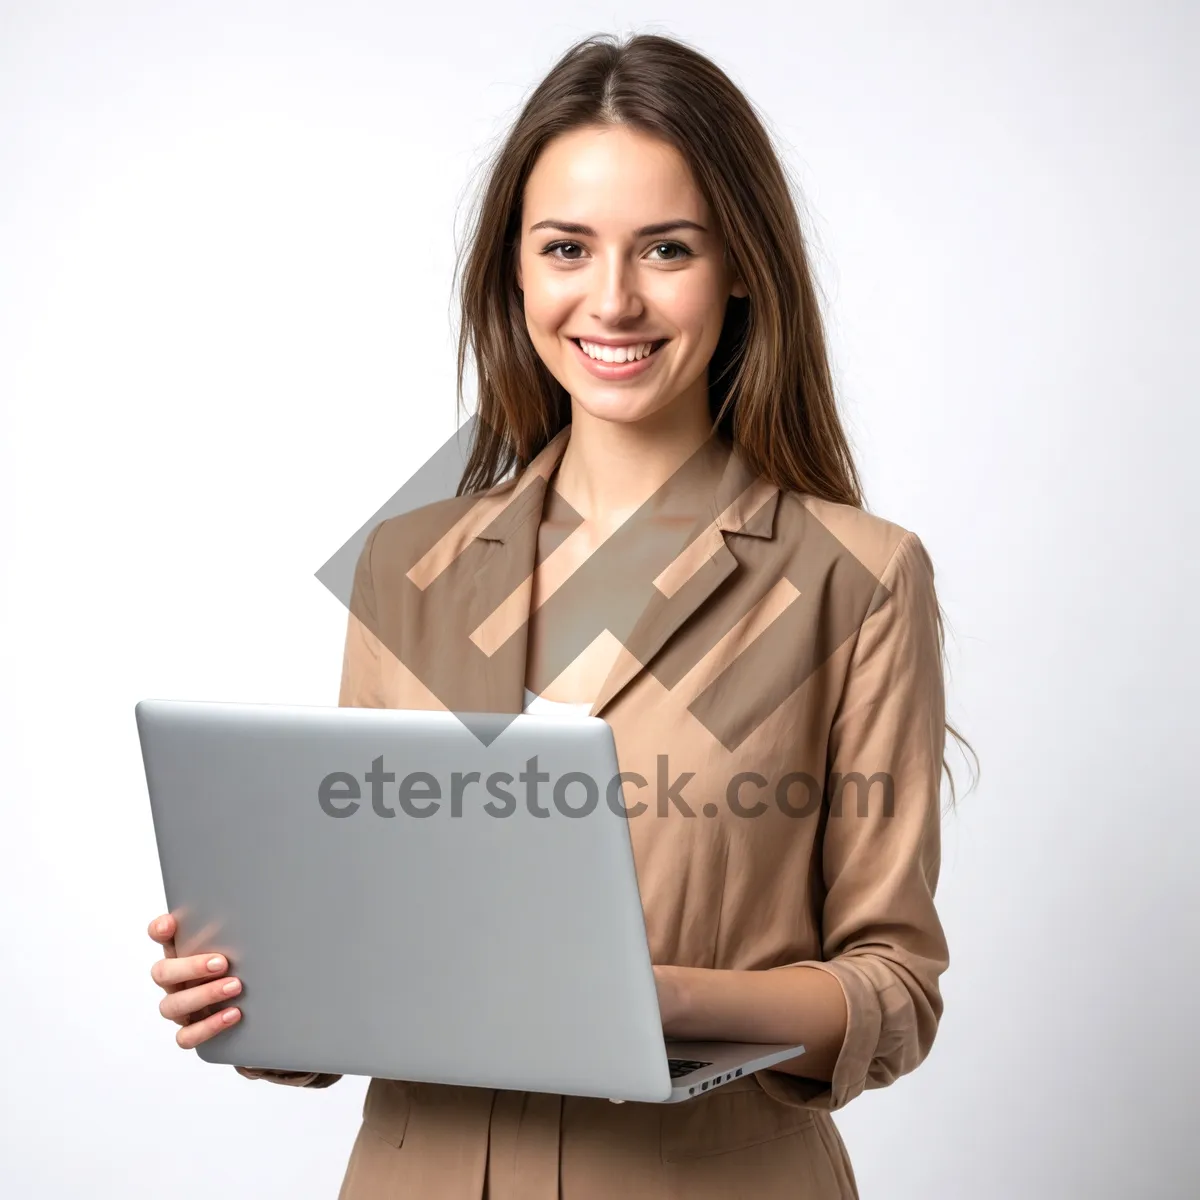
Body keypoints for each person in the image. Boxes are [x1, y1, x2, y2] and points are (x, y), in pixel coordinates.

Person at [146, 30, 975, 1199]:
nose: (614, 299)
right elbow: (368, 938)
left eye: (667, 249)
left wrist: (662, 999)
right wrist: (255, 992)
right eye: (567, 249)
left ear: (740, 266)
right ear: (517, 272)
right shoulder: (410, 564)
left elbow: (894, 986)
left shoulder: (860, 578)